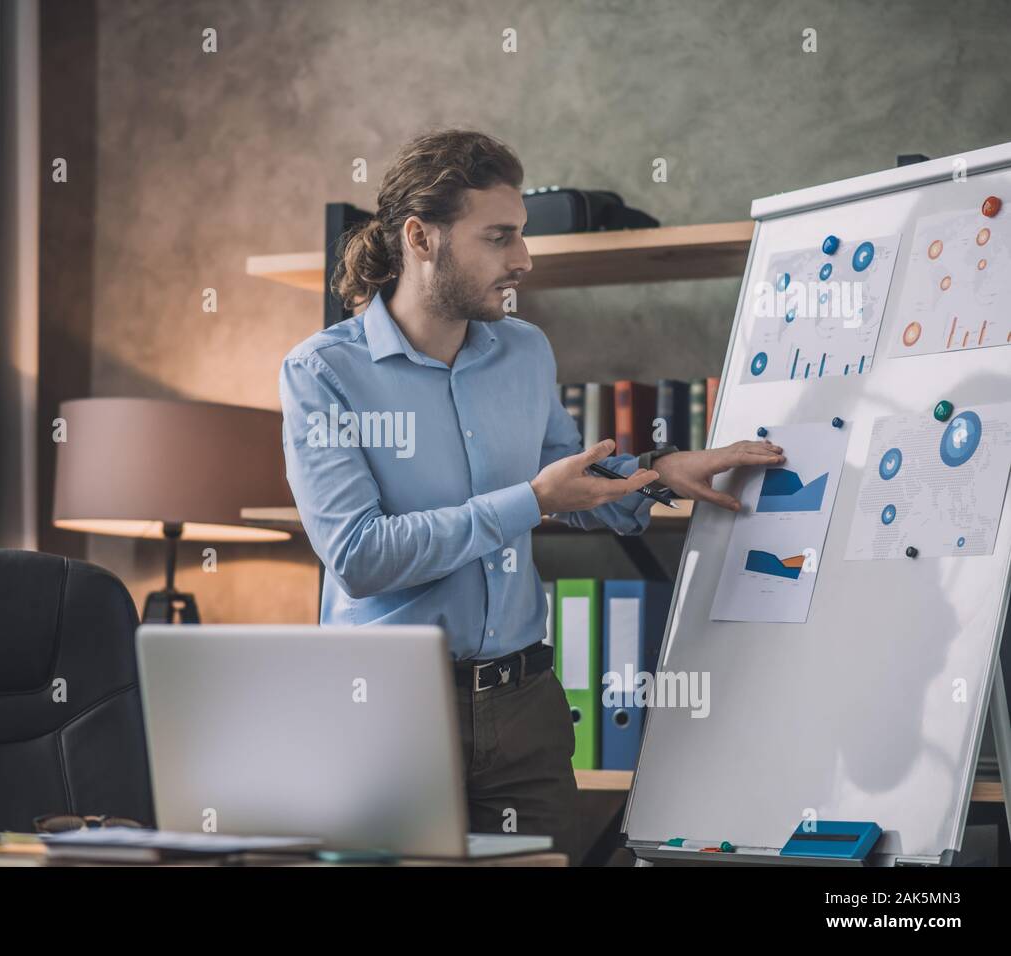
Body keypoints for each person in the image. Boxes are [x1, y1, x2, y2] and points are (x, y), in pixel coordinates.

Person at [278, 128, 785, 864]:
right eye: (500, 237)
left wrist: (660, 468)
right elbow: (358, 556)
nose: (524, 258)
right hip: (388, 711)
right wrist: (530, 502)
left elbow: (570, 482)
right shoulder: (323, 372)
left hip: (525, 706)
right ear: (421, 238)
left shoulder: (524, 350)